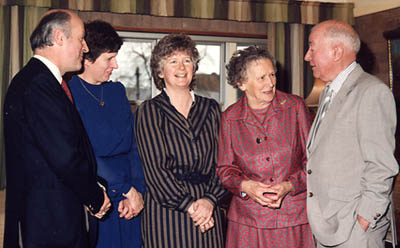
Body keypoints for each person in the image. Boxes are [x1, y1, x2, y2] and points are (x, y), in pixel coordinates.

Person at [3, 10, 111, 248]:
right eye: (81, 39)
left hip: (53, 223)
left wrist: (97, 186)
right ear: (60, 37)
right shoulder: (38, 84)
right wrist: (95, 197)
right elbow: (64, 158)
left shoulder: (43, 82)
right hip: (46, 228)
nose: (85, 47)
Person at [305, 20, 399, 248]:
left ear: (336, 52)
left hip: (353, 231)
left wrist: (363, 220)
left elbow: (381, 166)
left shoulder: (371, 92)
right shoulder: (329, 91)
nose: (307, 56)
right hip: (330, 225)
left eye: (312, 48)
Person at [134, 33, 227, 248]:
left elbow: (223, 163)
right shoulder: (149, 111)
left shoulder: (211, 109)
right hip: (167, 215)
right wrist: (192, 207)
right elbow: (156, 172)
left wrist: (210, 201)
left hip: (209, 210)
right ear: (160, 71)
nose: (182, 67)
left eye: (187, 61)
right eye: (173, 61)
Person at [217, 46, 314, 248]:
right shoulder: (230, 118)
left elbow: (314, 160)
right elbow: (225, 169)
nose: (270, 83)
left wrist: (290, 185)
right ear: (241, 83)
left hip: (293, 219)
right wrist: (245, 186)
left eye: (272, 75)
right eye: (262, 78)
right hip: (247, 223)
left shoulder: (295, 107)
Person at [67, 20, 146, 248]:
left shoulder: (117, 90)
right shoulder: (68, 93)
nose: (116, 65)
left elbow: (133, 145)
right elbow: (83, 154)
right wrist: (124, 189)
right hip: (99, 195)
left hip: (130, 200)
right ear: (88, 58)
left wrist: (137, 193)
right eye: (109, 58)